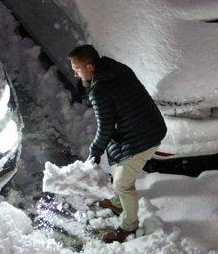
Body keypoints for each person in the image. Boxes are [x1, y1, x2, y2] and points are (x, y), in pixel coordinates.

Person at [68, 45, 167, 243]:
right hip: (150, 124)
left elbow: (105, 127)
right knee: (117, 158)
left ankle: (129, 227)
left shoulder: (99, 90)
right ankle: (117, 202)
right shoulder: (117, 69)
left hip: (143, 138)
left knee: (123, 183)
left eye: (77, 68)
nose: (75, 73)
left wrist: (95, 151)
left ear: (89, 67)